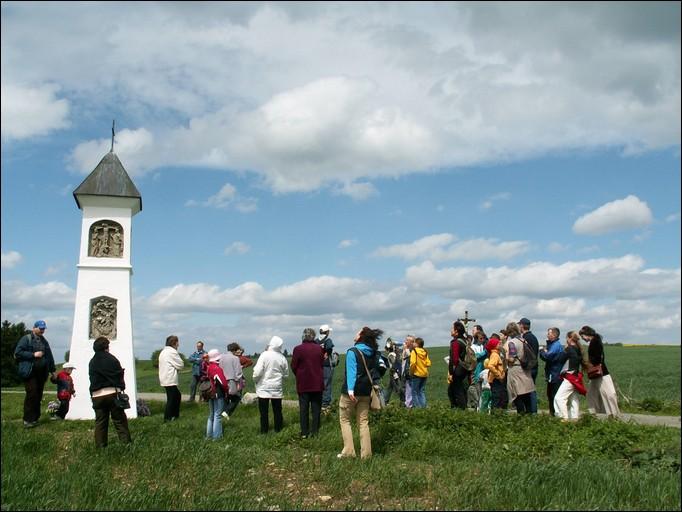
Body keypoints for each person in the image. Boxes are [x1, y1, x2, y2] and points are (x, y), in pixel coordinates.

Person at [338, 326, 383, 459]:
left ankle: (349, 451)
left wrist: (351, 390)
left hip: (350, 392)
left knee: (345, 419)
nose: (356, 333)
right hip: (366, 392)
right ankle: (366, 454)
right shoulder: (373, 352)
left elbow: (351, 372)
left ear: (361, 336)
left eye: (358, 332)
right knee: (363, 422)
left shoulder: (353, 351)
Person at [88, 336, 131, 447]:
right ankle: (126, 444)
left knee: (100, 422)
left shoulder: (92, 362)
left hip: (97, 395)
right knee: (119, 420)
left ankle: (100, 446)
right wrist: (121, 387)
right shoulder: (112, 359)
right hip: (112, 393)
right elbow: (118, 376)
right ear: (106, 347)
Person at [14, 320, 56, 428]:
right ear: (34, 328)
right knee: (32, 394)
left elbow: (49, 356)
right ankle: (28, 420)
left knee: (38, 395)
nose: (42, 330)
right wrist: (33, 354)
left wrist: (53, 370)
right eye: (40, 328)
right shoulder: (26, 339)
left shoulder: (44, 341)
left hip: (41, 373)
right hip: (29, 371)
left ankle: (35, 418)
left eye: (43, 329)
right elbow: (18, 353)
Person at [579, 325, 621, 417]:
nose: (583, 339)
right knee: (592, 393)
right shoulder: (596, 341)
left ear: (587, 334)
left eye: (583, 337)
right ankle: (598, 412)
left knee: (606, 393)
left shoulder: (595, 342)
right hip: (598, 372)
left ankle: (612, 414)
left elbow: (597, 358)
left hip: (600, 372)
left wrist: (589, 364)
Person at [291, 327, 324, 438]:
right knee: (316, 409)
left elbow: (294, 366)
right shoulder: (319, 349)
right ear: (313, 336)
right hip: (317, 383)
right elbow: (321, 363)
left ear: (303, 336)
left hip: (303, 383)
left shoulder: (297, 349)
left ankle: (304, 432)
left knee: (303, 409)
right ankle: (315, 432)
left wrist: (299, 375)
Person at [252, 336, 289, 434]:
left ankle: (264, 431)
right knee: (277, 411)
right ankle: (278, 429)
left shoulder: (264, 355)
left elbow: (258, 371)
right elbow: (286, 374)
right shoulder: (282, 357)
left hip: (264, 387)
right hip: (277, 387)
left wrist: (255, 379)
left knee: (264, 412)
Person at [501, 322, 535, 414]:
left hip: (516, 371)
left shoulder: (512, 343)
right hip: (525, 370)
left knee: (517, 396)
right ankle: (529, 417)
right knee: (526, 396)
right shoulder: (523, 340)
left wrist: (506, 357)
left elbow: (511, 358)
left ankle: (521, 416)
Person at [553, 331, 587, 421]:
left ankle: (564, 419)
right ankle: (575, 418)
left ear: (569, 338)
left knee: (559, 398)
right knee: (573, 398)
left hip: (570, 377)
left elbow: (559, 359)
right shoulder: (578, 349)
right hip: (576, 376)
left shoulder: (569, 349)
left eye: (566, 338)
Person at [538, 327, 564, 417]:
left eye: (549, 333)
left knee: (553, 395)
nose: (547, 335)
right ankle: (553, 413)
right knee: (550, 394)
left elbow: (547, 356)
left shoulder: (556, 345)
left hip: (555, 374)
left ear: (554, 335)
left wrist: (541, 350)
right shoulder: (553, 345)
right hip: (552, 373)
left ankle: (555, 414)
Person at [159, 335, 184, 422]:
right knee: (172, 398)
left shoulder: (163, 351)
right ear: (174, 343)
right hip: (170, 378)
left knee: (176, 396)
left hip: (164, 377)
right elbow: (181, 365)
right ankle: (168, 418)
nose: (178, 345)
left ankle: (174, 415)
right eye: (177, 343)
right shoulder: (172, 352)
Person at [518, 318, 540, 413]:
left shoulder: (527, 338)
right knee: (530, 389)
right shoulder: (533, 337)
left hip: (529, 368)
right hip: (533, 366)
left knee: (530, 390)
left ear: (522, 326)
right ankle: (531, 411)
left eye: (519, 325)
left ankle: (532, 411)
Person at [205, 349, 228, 440]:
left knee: (211, 415)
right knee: (217, 415)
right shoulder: (216, 368)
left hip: (210, 393)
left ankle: (209, 436)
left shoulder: (209, 367)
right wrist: (227, 390)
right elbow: (223, 383)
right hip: (218, 394)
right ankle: (217, 437)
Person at [219, 342, 244, 420]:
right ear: (235, 350)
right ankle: (226, 412)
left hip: (222, 380)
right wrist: (240, 382)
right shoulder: (235, 358)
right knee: (236, 398)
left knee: (226, 398)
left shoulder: (221, 357)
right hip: (231, 380)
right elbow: (238, 372)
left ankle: (224, 415)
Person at [447, 321, 469, 410]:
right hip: (464, 369)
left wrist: (451, 373)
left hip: (458, 371)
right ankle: (459, 408)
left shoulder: (455, 342)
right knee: (454, 390)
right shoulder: (465, 340)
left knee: (457, 391)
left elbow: (454, 360)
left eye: (452, 328)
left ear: (456, 331)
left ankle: (461, 410)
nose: (451, 330)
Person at [484, 335, 508, 410]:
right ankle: (495, 413)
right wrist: (498, 375)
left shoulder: (496, 354)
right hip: (496, 379)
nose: (500, 345)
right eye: (498, 344)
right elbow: (491, 366)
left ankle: (496, 411)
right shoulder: (495, 355)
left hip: (495, 379)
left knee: (498, 396)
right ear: (494, 346)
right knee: (497, 397)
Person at [409, 337, 431, 408]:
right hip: (424, 374)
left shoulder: (414, 351)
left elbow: (413, 363)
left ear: (417, 344)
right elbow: (428, 363)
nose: (413, 343)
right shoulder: (425, 351)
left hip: (416, 374)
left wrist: (411, 372)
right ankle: (424, 407)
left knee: (414, 392)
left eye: (414, 342)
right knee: (421, 391)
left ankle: (418, 409)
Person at [318, 324, 335, 413]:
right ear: (327, 332)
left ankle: (319, 402)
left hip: (317, 366)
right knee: (327, 385)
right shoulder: (328, 340)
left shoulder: (316, 341)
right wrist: (327, 353)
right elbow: (329, 347)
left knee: (319, 384)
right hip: (326, 365)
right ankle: (326, 404)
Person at [401, 335, 415, 408]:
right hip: (405, 373)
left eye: (407, 340)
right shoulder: (406, 349)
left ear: (411, 342)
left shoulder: (412, 350)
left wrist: (406, 349)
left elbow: (411, 358)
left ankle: (409, 406)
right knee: (407, 390)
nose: (405, 341)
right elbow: (403, 359)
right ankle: (408, 404)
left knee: (410, 390)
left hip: (410, 373)